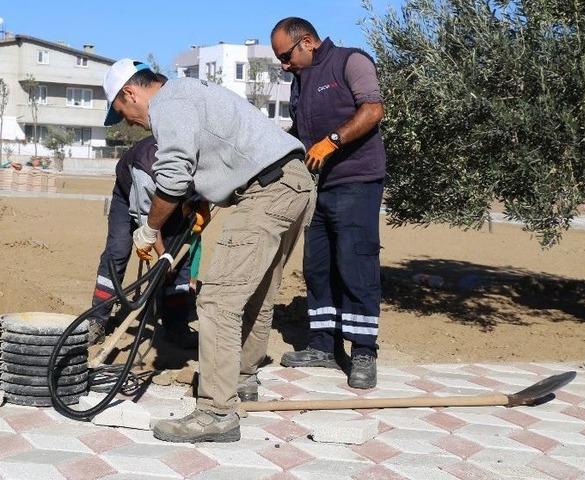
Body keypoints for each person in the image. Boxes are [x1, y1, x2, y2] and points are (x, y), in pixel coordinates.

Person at [103, 58, 312, 443]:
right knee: (256, 294)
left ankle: (216, 412)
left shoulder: (168, 103)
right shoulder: (189, 92)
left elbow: (173, 177)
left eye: (122, 112)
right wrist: (206, 197)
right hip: (294, 181)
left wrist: (149, 229)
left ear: (130, 93)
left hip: (267, 192)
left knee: (217, 301)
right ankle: (242, 380)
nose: (130, 123)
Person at [272, 17, 387, 389]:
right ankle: (323, 345)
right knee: (318, 266)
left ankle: (364, 352)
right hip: (317, 187)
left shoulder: (351, 61)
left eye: (286, 56)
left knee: (356, 264)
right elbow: (300, 131)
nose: (284, 65)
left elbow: (373, 110)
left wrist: (333, 140)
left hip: (357, 181)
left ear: (307, 42)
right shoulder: (300, 79)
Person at [88, 134, 199, 350]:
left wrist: (199, 204)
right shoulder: (146, 169)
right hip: (129, 193)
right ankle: (97, 320)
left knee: (179, 258)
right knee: (117, 251)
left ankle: (176, 326)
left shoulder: (199, 160)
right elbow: (148, 222)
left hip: (174, 200)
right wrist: (163, 254)